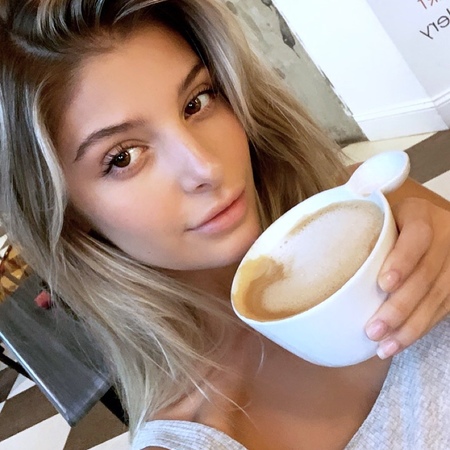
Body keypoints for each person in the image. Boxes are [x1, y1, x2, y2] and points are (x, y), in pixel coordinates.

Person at [0, 1, 448, 448]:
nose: (206, 167)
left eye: (196, 102)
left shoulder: (371, 205)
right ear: (68, 215)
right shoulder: (194, 437)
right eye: (123, 157)